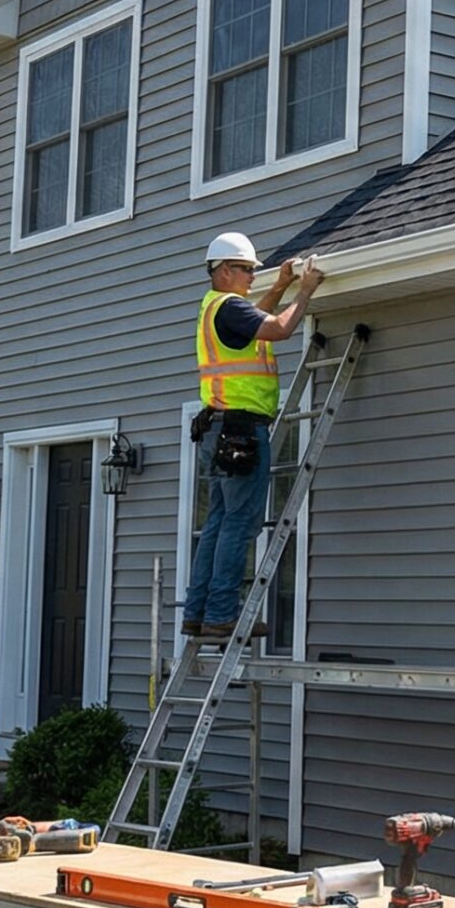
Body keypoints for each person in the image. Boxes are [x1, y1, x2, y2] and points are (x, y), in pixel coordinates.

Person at [185, 233, 322, 640]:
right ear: (225, 270)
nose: (251, 277)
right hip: (240, 431)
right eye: (247, 270)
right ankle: (222, 613)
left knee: (218, 522)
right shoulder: (229, 307)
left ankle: (198, 612)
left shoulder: (217, 310)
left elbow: (255, 323)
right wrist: (305, 292)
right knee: (239, 524)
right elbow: (278, 327)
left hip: (219, 428)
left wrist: (280, 286)